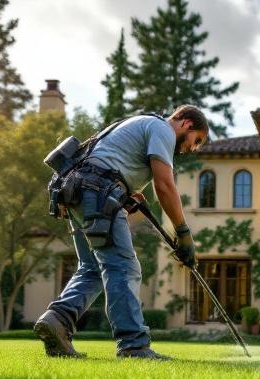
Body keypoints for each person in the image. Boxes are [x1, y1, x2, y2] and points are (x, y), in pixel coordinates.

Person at [34, 105, 208, 360]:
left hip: (76, 190)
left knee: (93, 267)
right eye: (197, 140)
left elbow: (107, 162)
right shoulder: (163, 129)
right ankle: (133, 346)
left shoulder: (140, 122)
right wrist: (183, 232)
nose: (192, 148)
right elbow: (164, 185)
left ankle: (57, 321)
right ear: (186, 123)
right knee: (124, 268)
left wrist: (124, 192)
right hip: (96, 190)